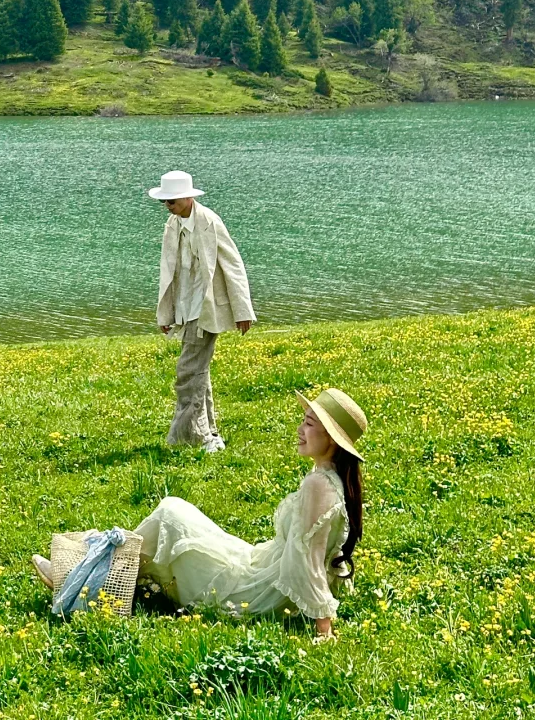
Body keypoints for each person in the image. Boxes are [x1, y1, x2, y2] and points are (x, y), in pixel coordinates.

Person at [31, 388, 366, 637]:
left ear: (332, 440)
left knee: (169, 515)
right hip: (260, 566)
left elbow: (309, 557)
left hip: (253, 592)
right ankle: (98, 574)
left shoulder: (318, 486)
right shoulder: (331, 480)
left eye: (309, 424)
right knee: (173, 511)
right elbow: (327, 551)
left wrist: (324, 627)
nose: (299, 430)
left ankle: (83, 580)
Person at [149, 169, 256, 454]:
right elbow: (168, 272)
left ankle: (191, 435)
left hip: (207, 308)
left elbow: (232, 263)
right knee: (198, 370)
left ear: (186, 197)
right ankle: (209, 434)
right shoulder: (172, 225)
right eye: (165, 202)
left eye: (171, 201)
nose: (167, 206)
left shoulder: (209, 222)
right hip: (186, 307)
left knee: (188, 370)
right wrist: (167, 313)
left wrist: (242, 309)